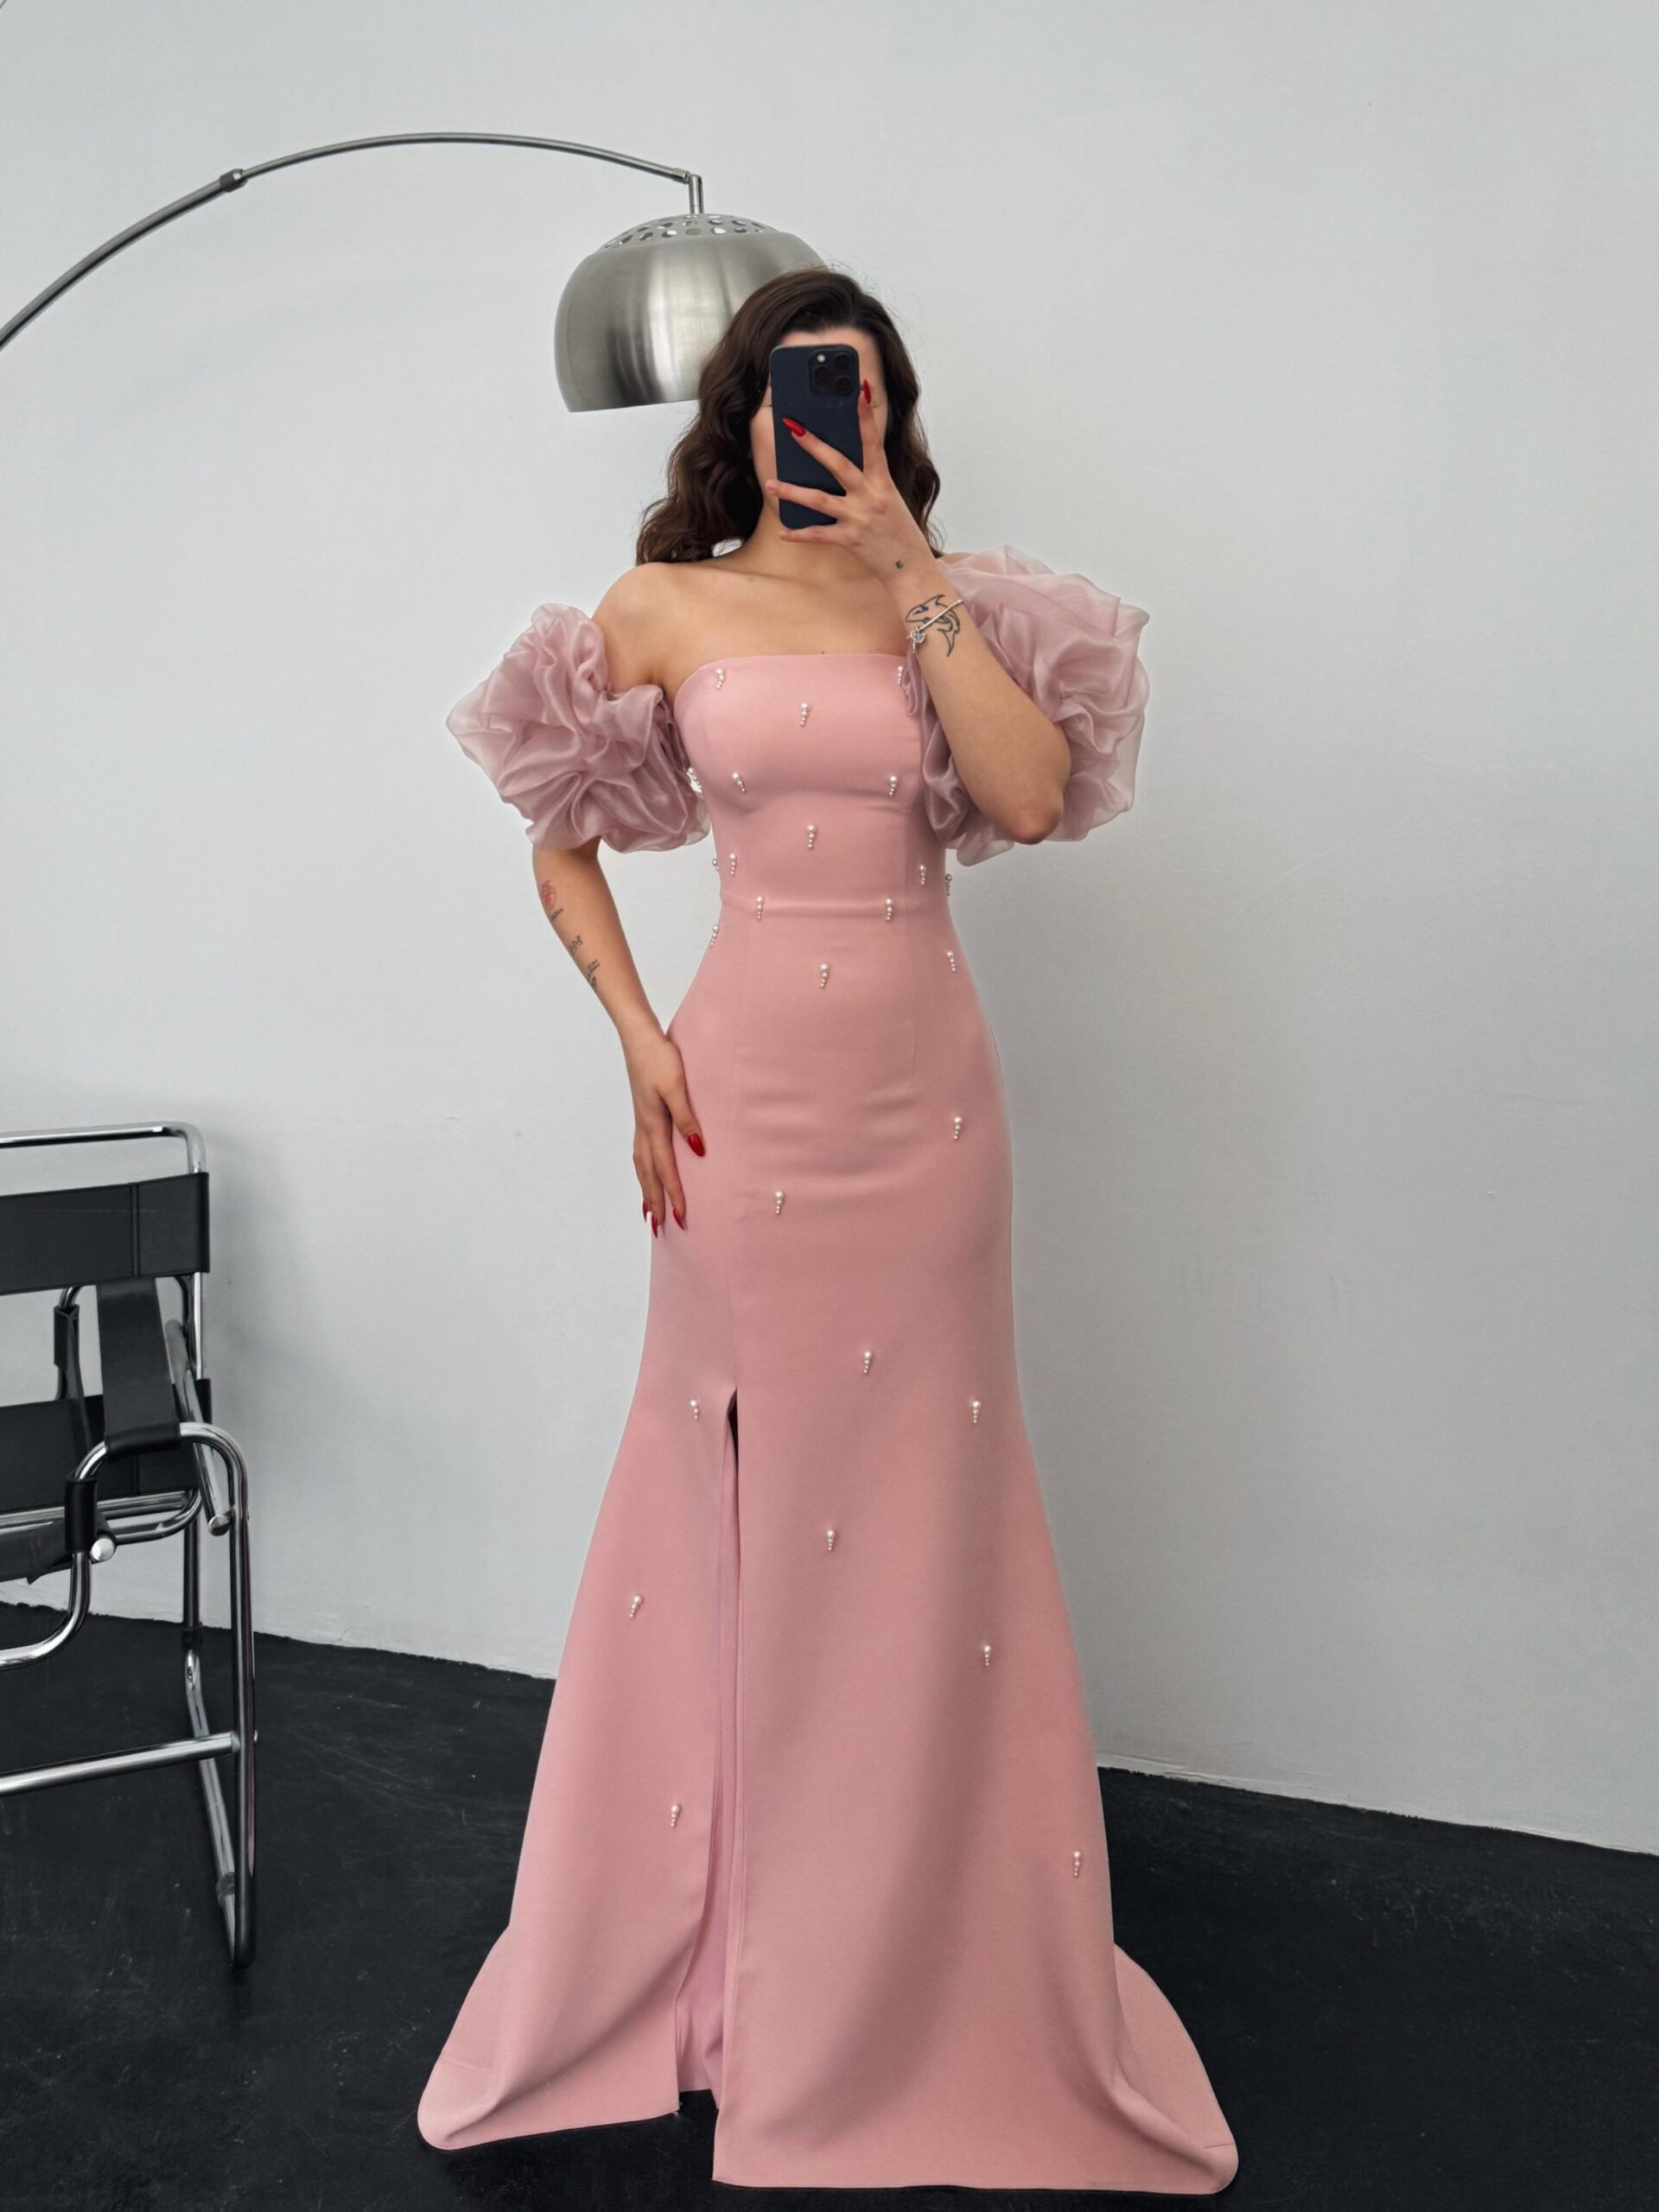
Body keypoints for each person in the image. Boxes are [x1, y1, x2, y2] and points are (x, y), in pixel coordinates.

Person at [417, 268, 1238, 2193]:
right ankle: (713, 1954)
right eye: (805, 390)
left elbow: (1028, 796)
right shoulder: (666, 605)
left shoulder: (955, 603)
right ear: (746, 410)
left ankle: (904, 1963)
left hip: (927, 1114)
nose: (831, 421)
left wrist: (911, 570)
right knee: (723, 1490)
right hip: (738, 1099)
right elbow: (555, 827)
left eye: (860, 394)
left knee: (925, 1510)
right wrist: (635, 1036)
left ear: (891, 417)